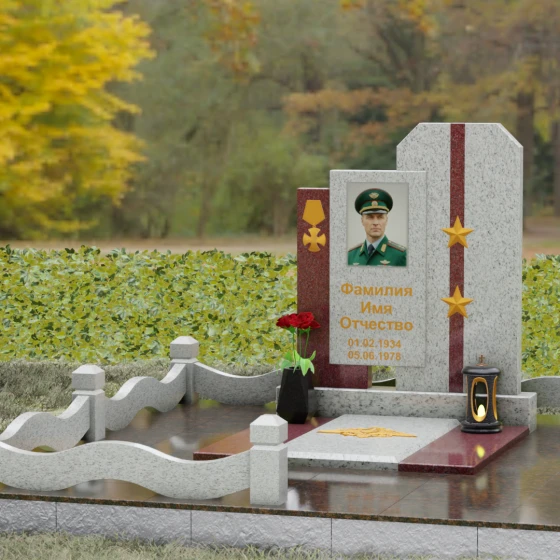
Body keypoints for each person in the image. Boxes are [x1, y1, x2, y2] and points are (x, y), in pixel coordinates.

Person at [347, 188, 407, 266]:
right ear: (362, 221)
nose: (375, 223)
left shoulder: (401, 255)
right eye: (370, 217)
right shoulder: (351, 255)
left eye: (380, 217)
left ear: (386, 220)